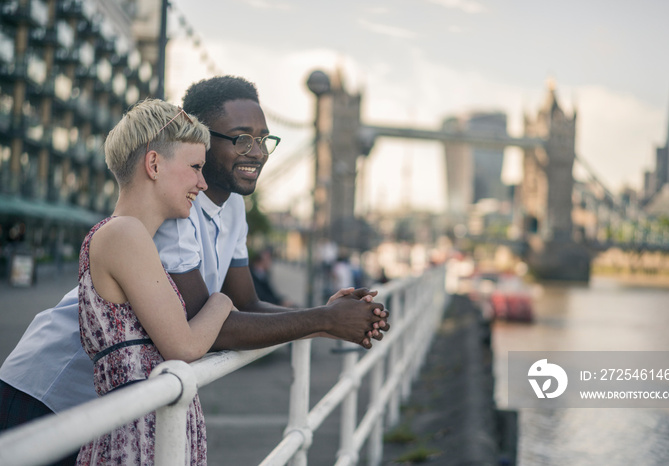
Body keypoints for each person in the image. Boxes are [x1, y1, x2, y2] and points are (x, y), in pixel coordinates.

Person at [0, 75, 388, 464]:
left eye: (263, 138)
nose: (257, 152)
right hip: (55, 386)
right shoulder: (170, 211)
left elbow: (247, 303)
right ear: (202, 136)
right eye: (241, 138)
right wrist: (323, 319)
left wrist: (330, 319)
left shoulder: (231, 206)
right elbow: (201, 329)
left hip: (118, 405)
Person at [75, 99, 232, 464]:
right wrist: (221, 302)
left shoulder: (128, 237)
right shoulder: (124, 234)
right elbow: (184, 346)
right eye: (195, 167)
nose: (203, 183)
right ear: (154, 163)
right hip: (136, 436)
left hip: (147, 427)